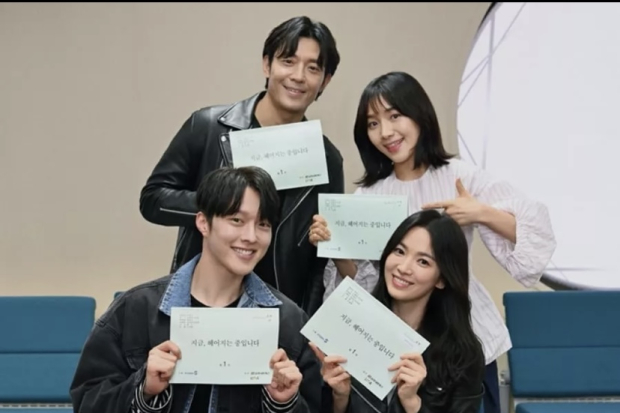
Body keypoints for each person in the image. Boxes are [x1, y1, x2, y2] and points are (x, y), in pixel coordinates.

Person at [309, 71, 557, 413]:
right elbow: (364, 286)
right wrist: (335, 248)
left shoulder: (459, 176)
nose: (386, 132)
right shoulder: (368, 194)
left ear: (419, 114)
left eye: (395, 116)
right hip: (394, 344)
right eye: (373, 124)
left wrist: (481, 212)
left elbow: (536, 236)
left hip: (462, 337)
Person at [70, 166, 322, 413]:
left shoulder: (289, 321)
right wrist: (143, 389)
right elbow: (87, 401)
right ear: (203, 222)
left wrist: (284, 404)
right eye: (236, 220)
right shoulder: (136, 309)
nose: (251, 236)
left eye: (263, 224)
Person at [138, 16, 344, 316]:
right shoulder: (209, 126)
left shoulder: (327, 159)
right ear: (267, 65)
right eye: (288, 61)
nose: (298, 76)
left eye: (313, 68)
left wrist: (304, 324)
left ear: (325, 81)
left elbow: (319, 263)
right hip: (200, 305)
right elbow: (152, 200)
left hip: (277, 313)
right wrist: (223, 208)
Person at [311, 210, 485, 413]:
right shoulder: (351, 325)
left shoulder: (462, 354)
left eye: (423, 261)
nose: (403, 267)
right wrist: (340, 397)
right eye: (400, 251)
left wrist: (412, 403)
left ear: (441, 279)